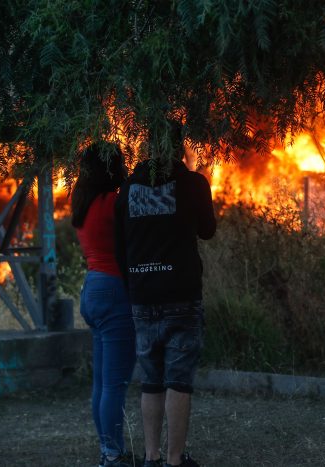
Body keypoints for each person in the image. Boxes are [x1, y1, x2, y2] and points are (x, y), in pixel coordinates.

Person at [115, 124, 216, 467]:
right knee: (178, 380)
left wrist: (135, 287)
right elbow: (208, 230)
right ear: (177, 149)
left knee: (151, 380)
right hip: (181, 295)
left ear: (145, 148)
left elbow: (120, 247)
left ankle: (151, 457)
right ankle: (174, 460)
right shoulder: (193, 184)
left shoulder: (127, 189)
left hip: (143, 296)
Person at [72, 142, 138, 467]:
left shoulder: (82, 203)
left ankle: (108, 451)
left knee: (101, 382)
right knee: (115, 384)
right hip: (114, 291)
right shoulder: (115, 202)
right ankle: (112, 455)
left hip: (92, 287)